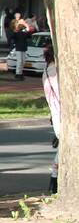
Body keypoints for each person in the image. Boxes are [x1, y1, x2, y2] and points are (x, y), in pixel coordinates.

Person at [43, 45, 60, 193]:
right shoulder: (54, 72)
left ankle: (54, 179)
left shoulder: (47, 71)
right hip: (61, 114)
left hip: (56, 115)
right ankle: (54, 178)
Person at [11, 12, 31, 80]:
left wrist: (25, 24)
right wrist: (17, 26)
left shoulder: (23, 32)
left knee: (23, 61)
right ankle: (18, 73)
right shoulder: (16, 32)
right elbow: (13, 36)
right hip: (18, 47)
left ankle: (20, 72)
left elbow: (28, 32)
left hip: (23, 47)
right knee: (19, 61)